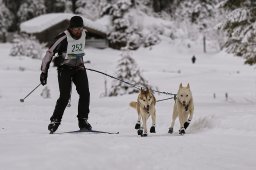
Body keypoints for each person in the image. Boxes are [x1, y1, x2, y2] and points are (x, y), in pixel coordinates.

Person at [40, 16, 92, 133]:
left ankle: (83, 120)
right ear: (70, 28)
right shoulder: (63, 37)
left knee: (85, 94)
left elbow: (78, 51)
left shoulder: (84, 34)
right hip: (65, 69)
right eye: (75, 29)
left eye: (80, 28)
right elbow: (49, 53)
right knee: (64, 96)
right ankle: (55, 121)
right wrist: (44, 72)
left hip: (79, 68)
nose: (78, 31)